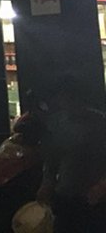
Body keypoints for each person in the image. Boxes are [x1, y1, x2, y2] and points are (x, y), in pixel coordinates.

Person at [34, 76, 106, 232]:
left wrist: (102, 185)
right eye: (61, 97)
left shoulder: (99, 123)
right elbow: (52, 157)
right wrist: (47, 182)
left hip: (95, 196)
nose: (64, 102)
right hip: (66, 191)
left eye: (69, 97)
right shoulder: (57, 122)